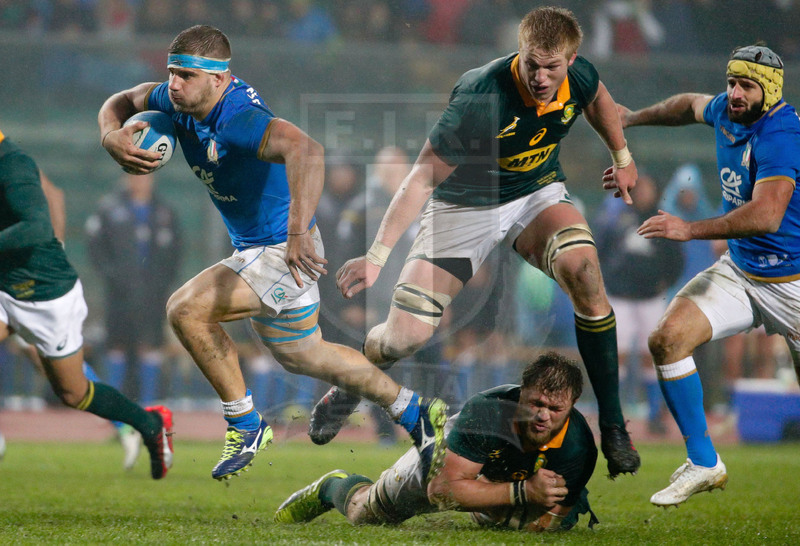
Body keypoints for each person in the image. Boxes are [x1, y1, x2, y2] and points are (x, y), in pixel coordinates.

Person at [98, 24, 447, 482]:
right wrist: (109, 135)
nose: (174, 83)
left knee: (185, 310)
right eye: (171, 72)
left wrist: (299, 231)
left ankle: (245, 423)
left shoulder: (237, 117)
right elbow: (120, 102)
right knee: (307, 355)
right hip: (259, 249)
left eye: (186, 74)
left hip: (284, 249)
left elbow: (309, 149)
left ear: (219, 79)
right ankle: (415, 409)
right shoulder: (171, 97)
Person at [312, 6, 641, 477]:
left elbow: (599, 99)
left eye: (553, 66)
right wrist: (376, 256)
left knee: (586, 274)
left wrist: (623, 156)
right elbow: (422, 177)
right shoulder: (481, 95)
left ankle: (613, 423)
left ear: (571, 59)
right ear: (519, 52)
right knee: (405, 337)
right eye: (533, 64)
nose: (542, 76)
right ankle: (351, 381)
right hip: (464, 205)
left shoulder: (580, 75)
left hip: (535, 192)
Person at [617, 43, 800, 505]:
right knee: (667, 339)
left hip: (794, 283)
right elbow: (687, 105)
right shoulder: (726, 108)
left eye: (747, 87)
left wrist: (689, 228)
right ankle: (703, 461)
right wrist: (631, 118)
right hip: (741, 272)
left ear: (770, 93)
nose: (734, 93)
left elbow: (767, 214)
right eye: (731, 82)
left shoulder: (781, 134)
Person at [0, 128, 173, 479]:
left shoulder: (13, 166)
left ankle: (148, 423)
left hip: (44, 293)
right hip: (3, 284)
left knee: (73, 391)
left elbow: (36, 226)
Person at [274, 352, 598, 533]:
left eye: (555, 409)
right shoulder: (487, 412)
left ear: (572, 406)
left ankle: (495, 507)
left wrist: (544, 513)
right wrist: (523, 492)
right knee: (367, 513)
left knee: (527, 522)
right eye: (535, 403)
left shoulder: (579, 445)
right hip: (451, 461)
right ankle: (333, 486)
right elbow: (441, 491)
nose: (543, 415)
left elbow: (553, 520)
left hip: (503, 476)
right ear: (520, 393)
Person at [594, 174, 683, 434]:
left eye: (648, 188)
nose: (644, 193)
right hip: (619, 298)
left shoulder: (661, 220)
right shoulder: (614, 218)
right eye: (639, 188)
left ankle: (655, 414)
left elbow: (676, 256)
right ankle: (613, 416)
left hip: (650, 298)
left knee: (652, 355)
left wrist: (666, 282)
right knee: (615, 355)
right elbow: (599, 251)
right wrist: (606, 284)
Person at [85, 171, 182, 406]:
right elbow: (96, 248)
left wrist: (161, 282)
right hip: (119, 293)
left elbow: (176, 251)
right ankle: (115, 410)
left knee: (149, 345)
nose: (140, 181)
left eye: (145, 176)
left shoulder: (165, 212)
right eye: (135, 176)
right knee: (116, 345)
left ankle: (148, 407)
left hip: (152, 294)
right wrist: (113, 276)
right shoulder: (109, 209)